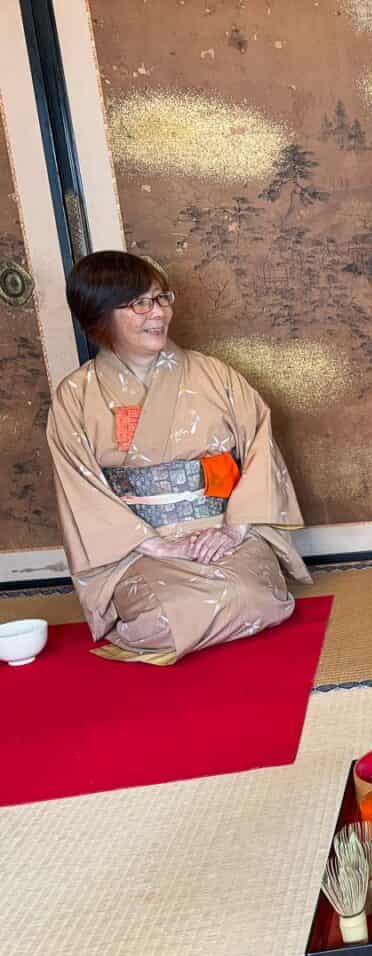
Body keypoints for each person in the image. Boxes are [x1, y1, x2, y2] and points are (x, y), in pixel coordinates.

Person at [46, 251, 311, 664]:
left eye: (161, 298)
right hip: (138, 548)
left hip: (219, 533)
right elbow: (79, 488)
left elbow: (260, 449)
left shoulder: (214, 375)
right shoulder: (75, 397)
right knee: (163, 619)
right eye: (140, 303)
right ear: (100, 314)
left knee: (255, 597)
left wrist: (233, 530)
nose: (159, 313)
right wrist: (157, 546)